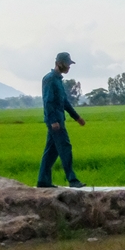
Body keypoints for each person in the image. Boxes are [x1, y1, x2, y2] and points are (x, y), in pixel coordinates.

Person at [38, 52, 87, 188]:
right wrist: (53, 120)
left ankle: (43, 181)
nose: (69, 67)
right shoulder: (49, 79)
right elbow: (48, 102)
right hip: (55, 122)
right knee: (65, 147)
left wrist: (77, 118)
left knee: (51, 152)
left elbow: (64, 102)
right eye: (67, 64)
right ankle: (72, 179)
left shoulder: (59, 80)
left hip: (60, 120)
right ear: (59, 63)